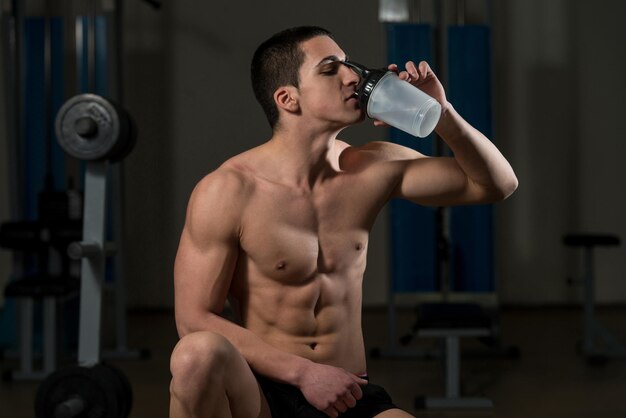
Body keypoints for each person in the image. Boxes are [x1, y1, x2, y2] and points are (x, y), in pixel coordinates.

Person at [168, 26, 517, 418]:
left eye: (348, 64)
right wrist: (304, 374)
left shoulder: (374, 166)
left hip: (346, 392)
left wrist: (443, 115)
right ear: (288, 98)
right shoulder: (227, 191)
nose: (354, 76)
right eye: (330, 68)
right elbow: (193, 319)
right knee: (195, 355)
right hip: (261, 393)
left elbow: (497, 184)